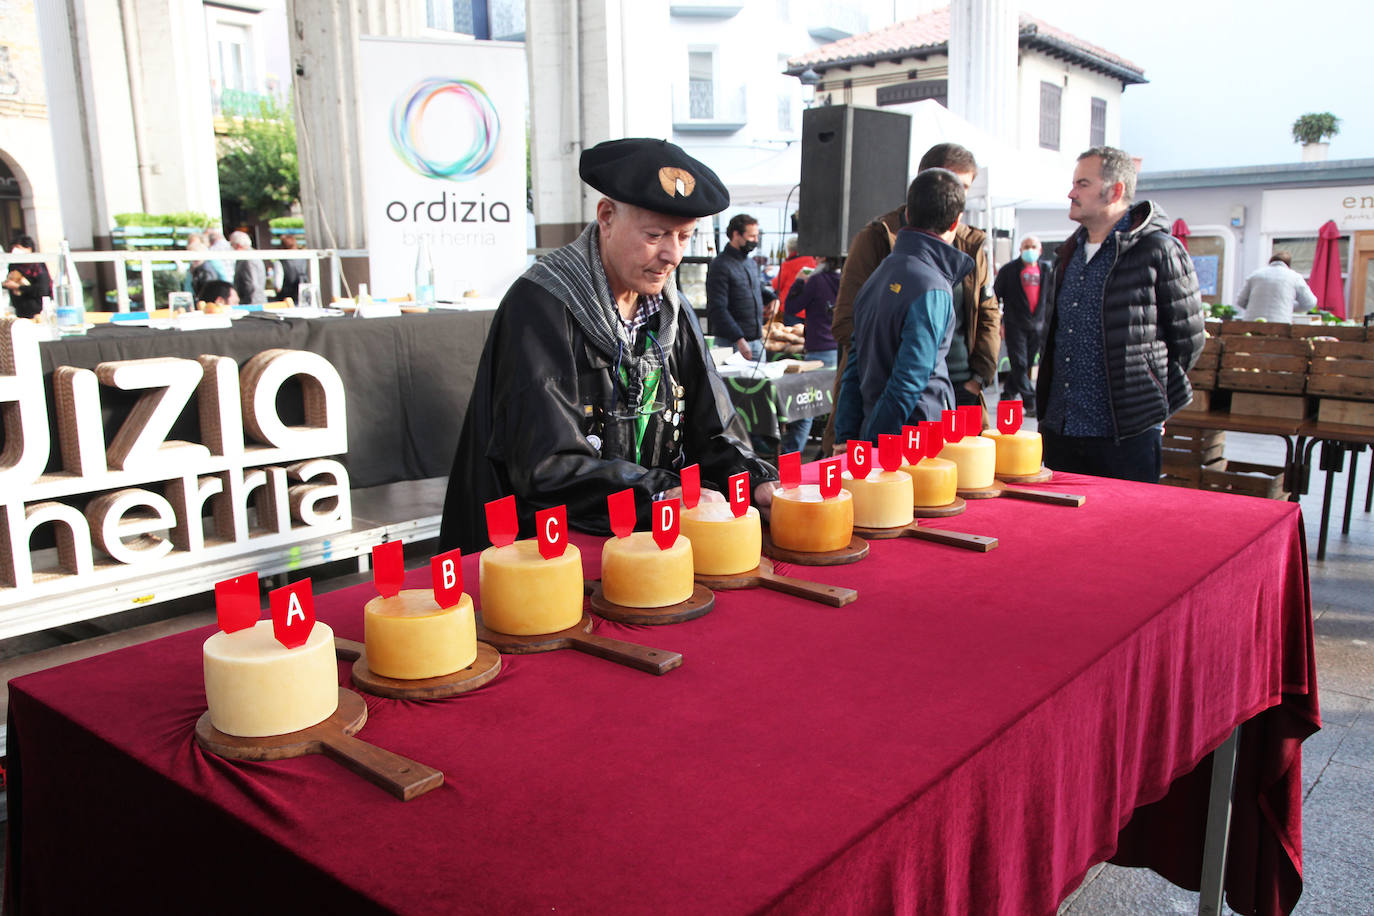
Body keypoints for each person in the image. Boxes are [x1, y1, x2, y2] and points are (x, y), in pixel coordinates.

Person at [438, 138, 778, 553]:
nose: (672, 255)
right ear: (607, 217)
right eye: (655, 235)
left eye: (684, 237)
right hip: (542, 550)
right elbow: (546, 465)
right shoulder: (542, 305)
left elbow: (714, 426)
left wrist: (756, 480)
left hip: (642, 542)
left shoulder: (672, 309)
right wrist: (660, 494)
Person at [1037, 146, 1204, 483]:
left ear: (1115, 191)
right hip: (1060, 429)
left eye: (1082, 184)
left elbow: (1189, 339)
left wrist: (1152, 400)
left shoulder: (1159, 250)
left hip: (1126, 434)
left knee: (1123, 534)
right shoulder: (1067, 253)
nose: (1071, 193)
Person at [825, 142, 998, 451]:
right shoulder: (930, 285)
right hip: (912, 442)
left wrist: (850, 438)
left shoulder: (883, 273)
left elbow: (855, 363)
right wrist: (870, 445)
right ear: (956, 220)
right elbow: (908, 382)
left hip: (883, 430)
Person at [777, 257, 840, 457]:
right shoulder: (848, 278)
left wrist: (798, 281)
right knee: (834, 405)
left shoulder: (816, 280)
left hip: (819, 351)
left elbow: (792, 306)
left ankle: (790, 457)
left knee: (806, 408)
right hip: (840, 349)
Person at [993, 235, 1054, 411]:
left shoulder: (1046, 271)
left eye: (1033, 246)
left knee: (1026, 363)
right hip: (1014, 324)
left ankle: (1008, 393)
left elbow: (1051, 297)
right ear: (1020, 250)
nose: (1030, 250)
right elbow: (996, 296)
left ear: (1040, 250)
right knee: (1018, 362)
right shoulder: (1009, 270)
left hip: (1038, 324)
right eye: (1026, 246)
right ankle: (1030, 401)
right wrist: (999, 322)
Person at [706, 213, 776, 361]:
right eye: (751, 237)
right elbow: (718, 308)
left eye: (757, 236)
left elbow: (756, 288)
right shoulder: (720, 265)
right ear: (736, 234)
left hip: (756, 340)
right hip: (732, 343)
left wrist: (773, 298)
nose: (755, 241)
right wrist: (739, 338)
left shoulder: (750, 263)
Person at [1235, 250, 1316, 323]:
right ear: (1288, 264)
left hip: (1251, 323)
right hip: (1280, 324)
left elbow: (1240, 301)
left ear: (1270, 262)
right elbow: (1310, 303)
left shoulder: (1255, 275)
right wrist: (1287, 306)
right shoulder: (1295, 277)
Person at [4, 235, 52, 319]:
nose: (14, 251)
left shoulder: (38, 266)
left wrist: (18, 287)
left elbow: (43, 290)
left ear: (29, 248)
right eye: (13, 248)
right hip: (20, 313)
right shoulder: (13, 265)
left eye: (18, 248)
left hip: (39, 313)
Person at [772, 235, 815, 307]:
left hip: (790, 305)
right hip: (808, 306)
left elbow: (777, 285)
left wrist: (772, 281)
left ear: (789, 249)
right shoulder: (812, 261)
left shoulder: (787, 265)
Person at [229, 230, 266, 305]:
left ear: (238, 245)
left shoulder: (248, 259)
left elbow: (251, 285)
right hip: (253, 301)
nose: (231, 248)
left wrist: (245, 303)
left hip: (252, 303)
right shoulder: (250, 256)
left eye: (232, 245)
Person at [274, 233, 307, 302]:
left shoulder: (280, 262)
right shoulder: (305, 259)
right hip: (303, 298)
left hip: (286, 300)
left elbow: (278, 286)